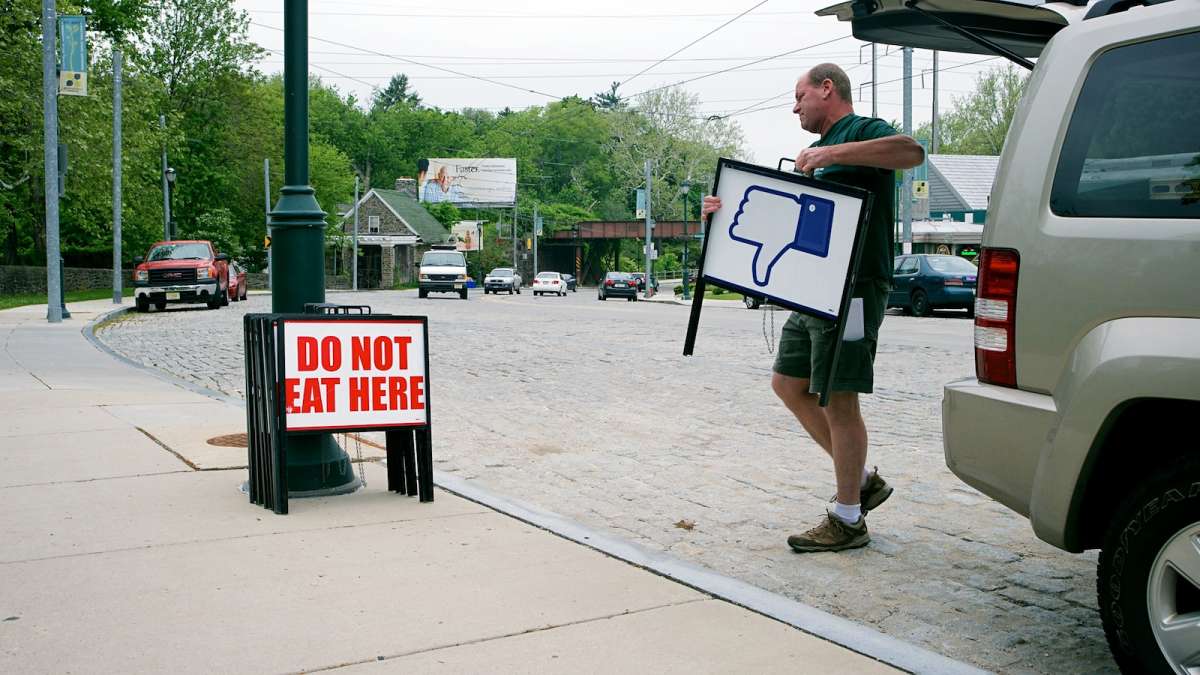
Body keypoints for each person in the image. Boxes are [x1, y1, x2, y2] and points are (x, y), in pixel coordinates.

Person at [701, 63, 924, 553]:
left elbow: (912, 152)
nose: (795, 105)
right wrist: (721, 212)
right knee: (788, 383)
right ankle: (862, 480)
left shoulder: (861, 131)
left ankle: (848, 520)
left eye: (800, 95)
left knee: (840, 398)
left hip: (856, 287)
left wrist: (830, 153)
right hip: (810, 288)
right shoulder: (811, 157)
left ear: (828, 89)